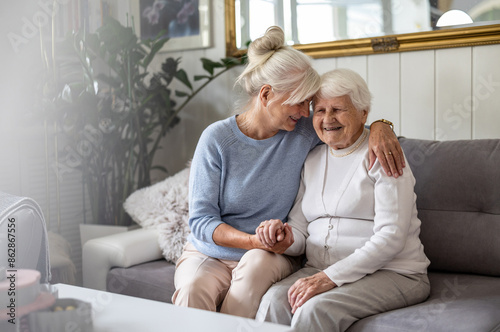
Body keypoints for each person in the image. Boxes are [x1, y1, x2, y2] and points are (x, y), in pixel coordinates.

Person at [172, 27, 404, 319]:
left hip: (271, 251)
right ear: (267, 94)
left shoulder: (303, 130)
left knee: (254, 270)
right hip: (211, 251)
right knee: (192, 289)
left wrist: (383, 126)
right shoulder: (217, 139)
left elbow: (352, 130)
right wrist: (250, 240)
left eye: (309, 103)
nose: (306, 112)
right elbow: (202, 222)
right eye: (299, 101)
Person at [256, 68, 431, 331]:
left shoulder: (383, 154)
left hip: (394, 273)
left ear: (363, 113)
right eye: (321, 110)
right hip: (321, 269)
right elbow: (301, 228)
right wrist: (286, 237)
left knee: (314, 310)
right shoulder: (312, 159)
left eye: (338, 109)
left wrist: (329, 278)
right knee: (273, 301)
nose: (328, 119)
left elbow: (391, 236)